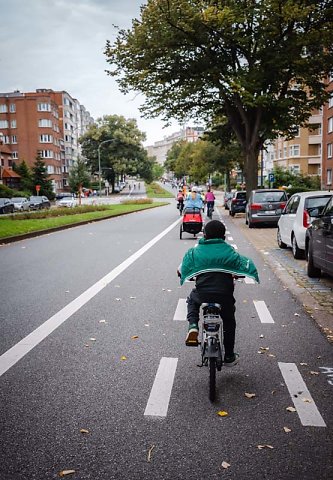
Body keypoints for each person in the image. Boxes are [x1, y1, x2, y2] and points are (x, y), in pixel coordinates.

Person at [178, 220, 259, 366]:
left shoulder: (195, 252)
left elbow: (182, 268)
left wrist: (183, 273)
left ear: (205, 234)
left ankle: (193, 326)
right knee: (229, 321)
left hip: (202, 294)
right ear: (223, 236)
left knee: (192, 301)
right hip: (224, 296)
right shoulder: (229, 251)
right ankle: (229, 355)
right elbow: (243, 264)